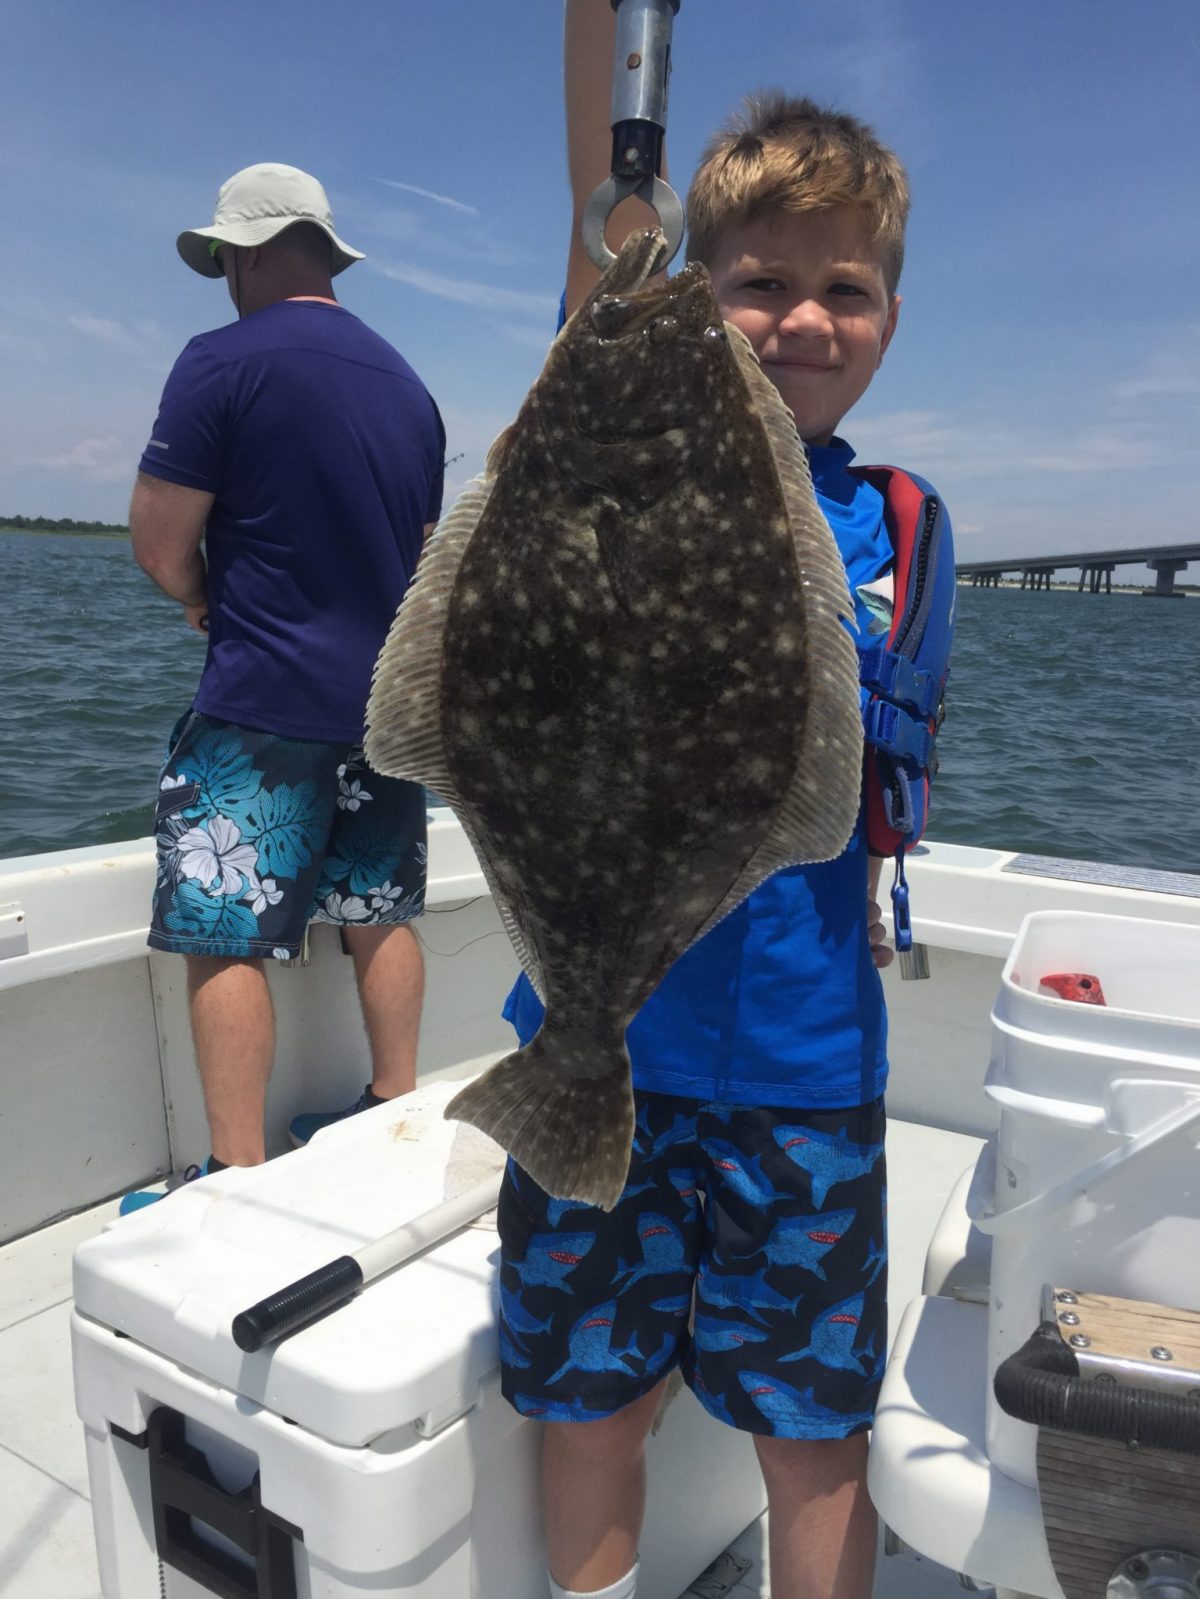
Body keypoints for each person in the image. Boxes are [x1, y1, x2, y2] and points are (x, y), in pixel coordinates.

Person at [494, 8, 946, 1598]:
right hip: (597, 1031)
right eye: (757, 280)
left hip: (810, 1067)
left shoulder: (896, 521)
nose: (800, 317)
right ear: (693, 292)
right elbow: (595, 219)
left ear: (891, 319)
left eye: (846, 288)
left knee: (817, 1430)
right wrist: (613, 166)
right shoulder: (616, 419)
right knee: (591, 1396)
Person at [123, 163, 445, 1212]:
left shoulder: (221, 362)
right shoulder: (411, 389)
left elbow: (159, 542)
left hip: (261, 704)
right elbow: (427, 555)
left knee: (223, 926)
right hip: (388, 714)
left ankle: (233, 1177)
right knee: (380, 910)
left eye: (222, 259)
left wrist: (201, 595)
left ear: (251, 253)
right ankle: (393, 1108)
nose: (222, 277)